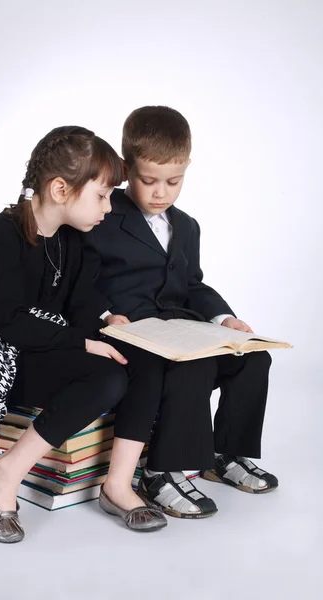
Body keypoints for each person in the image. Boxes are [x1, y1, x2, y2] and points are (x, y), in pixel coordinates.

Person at [0, 126, 167, 543]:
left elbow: (80, 301)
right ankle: (6, 470)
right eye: (102, 195)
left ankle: (118, 485)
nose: (109, 208)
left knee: (144, 357)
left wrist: (110, 324)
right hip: (5, 359)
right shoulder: (0, 235)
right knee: (106, 377)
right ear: (60, 188)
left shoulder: (72, 239)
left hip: (52, 346)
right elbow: (8, 321)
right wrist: (83, 342)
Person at [82, 106, 278, 519]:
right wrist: (103, 316)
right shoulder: (99, 214)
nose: (161, 193)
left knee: (253, 358)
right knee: (190, 367)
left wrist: (225, 320)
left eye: (174, 181)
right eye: (148, 180)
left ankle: (224, 455)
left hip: (180, 327)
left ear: (187, 169)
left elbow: (192, 284)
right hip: (129, 330)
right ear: (125, 169)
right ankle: (160, 471)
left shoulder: (187, 226)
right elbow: (79, 280)